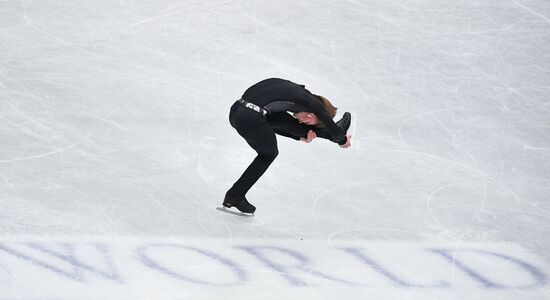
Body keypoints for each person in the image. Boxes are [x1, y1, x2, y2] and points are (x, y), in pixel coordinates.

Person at [224, 78, 352, 214]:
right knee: (268, 155)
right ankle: (235, 195)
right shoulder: (310, 101)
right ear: (312, 114)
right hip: (250, 117)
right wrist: (341, 139)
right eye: (309, 122)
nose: (303, 122)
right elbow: (321, 115)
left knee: (288, 125)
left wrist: (300, 137)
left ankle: (329, 134)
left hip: (237, 111)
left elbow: (273, 125)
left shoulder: (295, 94)